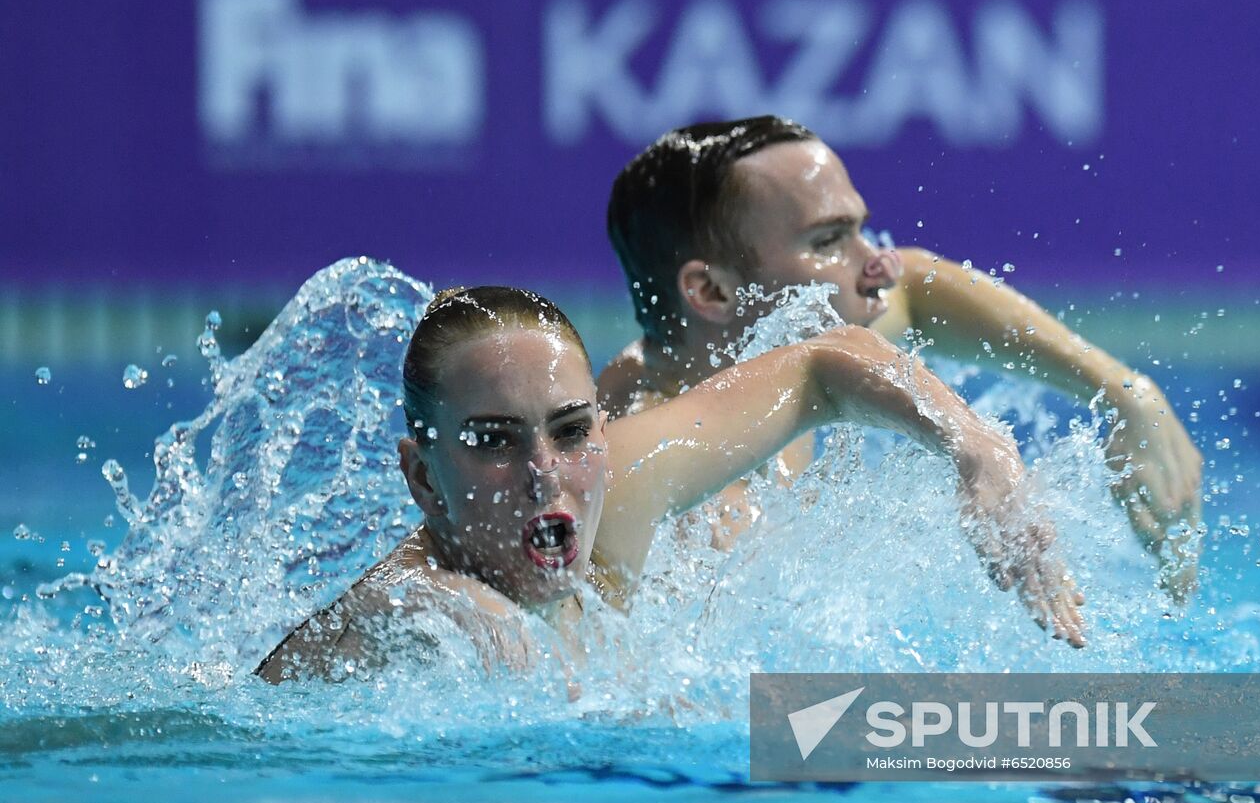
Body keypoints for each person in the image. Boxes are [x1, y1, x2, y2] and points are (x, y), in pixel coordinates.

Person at [257, 285, 1084, 686]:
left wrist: (979, 449)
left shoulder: (619, 488)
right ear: (421, 479)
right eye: (492, 443)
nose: (546, 470)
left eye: (573, 429)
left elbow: (827, 363)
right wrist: (391, 613)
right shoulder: (401, 617)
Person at [599, 116, 1204, 596]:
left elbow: (914, 282)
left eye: (862, 229)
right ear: (712, 292)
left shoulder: (771, 333)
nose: (877, 263)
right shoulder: (669, 481)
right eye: (829, 240)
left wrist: (1127, 393)